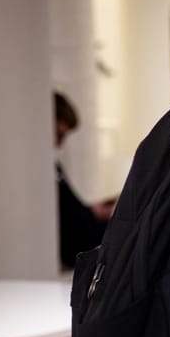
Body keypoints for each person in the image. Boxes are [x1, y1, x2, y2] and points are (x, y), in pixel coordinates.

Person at [53, 90, 114, 269]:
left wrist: (91, 211)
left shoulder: (53, 168)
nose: (59, 143)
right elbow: (66, 219)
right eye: (59, 134)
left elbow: (69, 207)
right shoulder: (41, 171)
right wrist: (91, 213)